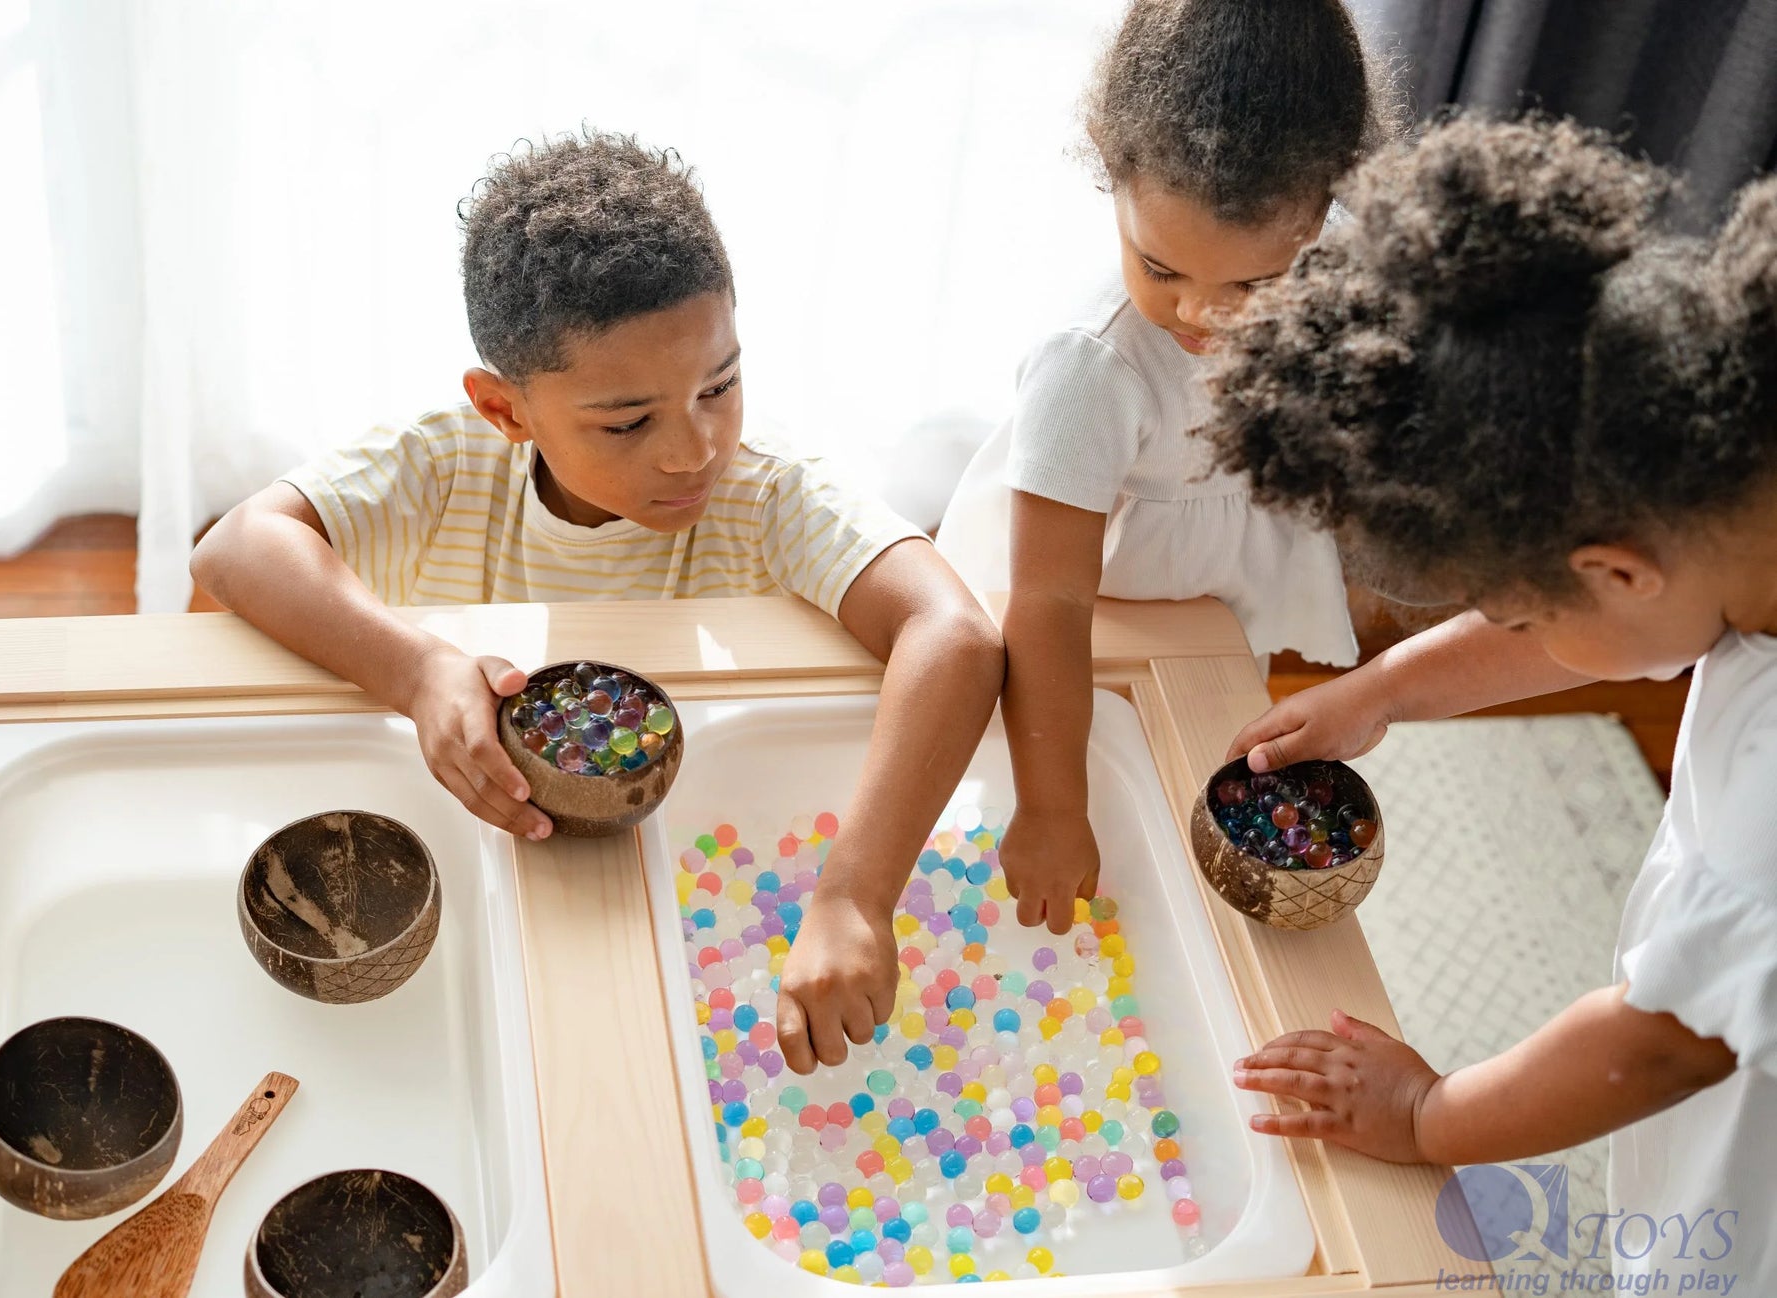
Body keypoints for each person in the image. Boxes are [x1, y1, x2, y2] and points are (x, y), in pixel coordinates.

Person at [191, 131, 1005, 1072]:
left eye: (722, 384)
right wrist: (418, 670)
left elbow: (955, 634)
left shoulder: (765, 487)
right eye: (628, 422)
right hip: (467, 849)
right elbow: (236, 549)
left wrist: (855, 896)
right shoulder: (448, 459)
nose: (694, 448)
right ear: (506, 411)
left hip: (669, 859)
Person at [1202, 117, 1777, 1290]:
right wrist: (1384, 691)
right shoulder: (1722, 496)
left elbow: (1663, 1040)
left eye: (1509, 609)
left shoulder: (1761, 826)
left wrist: (1427, 1112)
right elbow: (1597, 626)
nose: (1510, 633)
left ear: (1614, 568)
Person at [935, 0, 1395, 935]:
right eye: (1159, 267)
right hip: (1056, 631)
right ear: (1111, 174)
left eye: (1254, 286)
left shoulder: (1342, 270)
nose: (1200, 315)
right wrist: (1054, 805)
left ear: (1324, 211)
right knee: (1031, 797)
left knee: (1174, 797)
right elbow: (1049, 605)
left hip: (1202, 624)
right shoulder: (1093, 369)